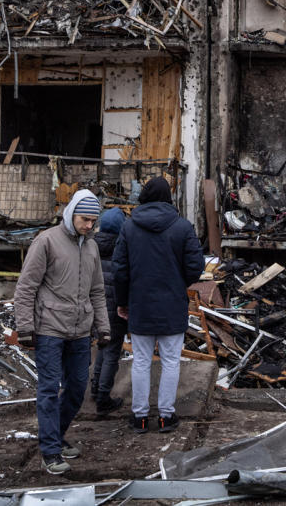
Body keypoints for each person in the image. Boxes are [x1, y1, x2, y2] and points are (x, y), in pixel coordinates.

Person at [14, 189, 110, 475]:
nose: (89, 226)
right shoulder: (46, 241)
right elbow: (26, 287)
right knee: (48, 389)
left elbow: (97, 291)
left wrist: (103, 327)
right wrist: (25, 328)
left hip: (80, 331)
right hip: (49, 330)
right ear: (71, 214)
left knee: (78, 388)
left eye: (93, 221)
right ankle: (50, 451)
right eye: (84, 219)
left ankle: (57, 435)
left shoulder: (91, 246)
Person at [113, 177, 203, 434]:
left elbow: (120, 270)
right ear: (168, 198)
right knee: (171, 361)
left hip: (139, 304)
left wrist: (122, 301)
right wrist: (177, 283)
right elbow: (196, 267)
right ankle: (166, 416)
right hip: (172, 304)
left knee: (140, 361)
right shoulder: (183, 227)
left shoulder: (129, 228)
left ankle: (140, 417)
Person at [90, 207, 128, 416]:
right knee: (112, 351)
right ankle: (104, 397)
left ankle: (95, 389)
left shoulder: (91, 246)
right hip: (115, 309)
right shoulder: (121, 249)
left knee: (102, 347)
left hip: (95, 308)